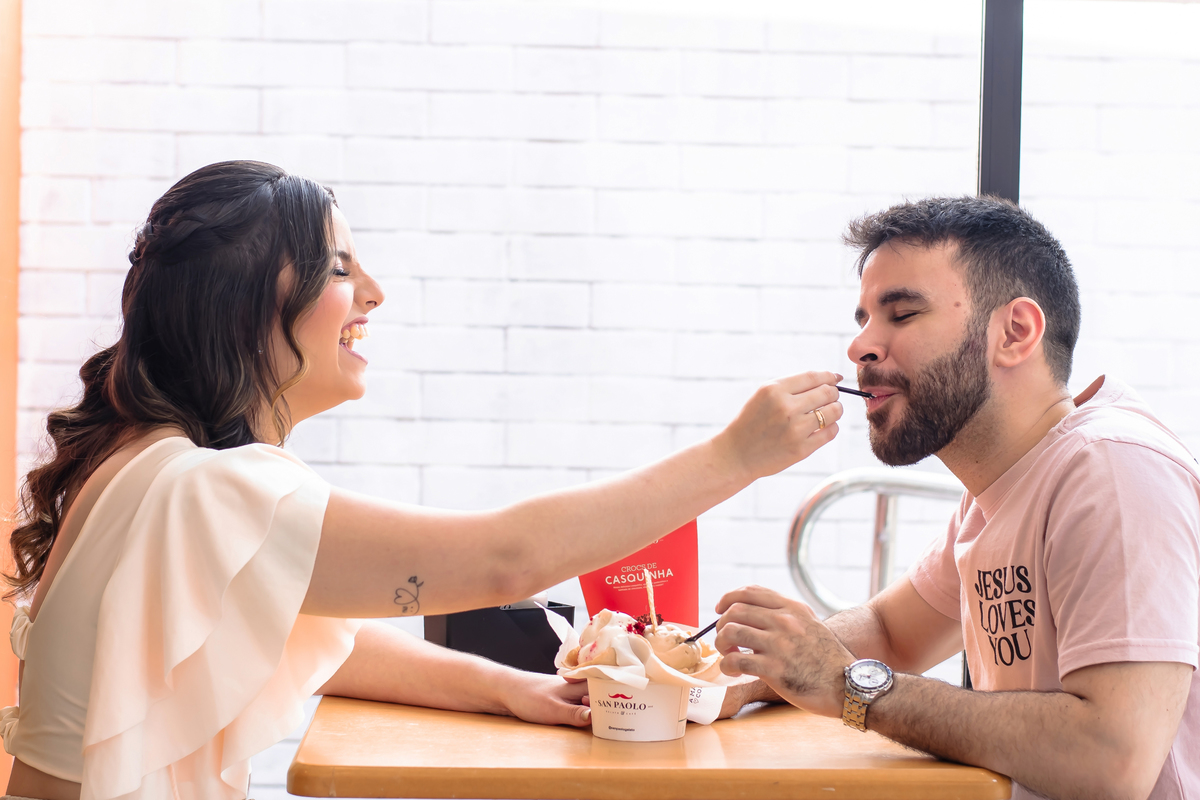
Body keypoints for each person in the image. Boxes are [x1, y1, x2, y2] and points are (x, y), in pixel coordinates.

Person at [2, 161, 845, 800]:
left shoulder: (149, 464)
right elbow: (503, 559)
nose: (373, 292)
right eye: (339, 269)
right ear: (249, 304)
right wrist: (740, 454)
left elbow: (321, 641)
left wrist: (512, 691)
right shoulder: (203, 491)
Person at [713, 196, 1197, 800]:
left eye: (902, 314)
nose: (860, 346)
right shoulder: (1003, 484)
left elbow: (1111, 760)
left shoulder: (1112, 468)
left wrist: (848, 686)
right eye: (863, 318)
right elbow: (892, 631)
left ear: (1015, 332)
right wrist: (744, 673)